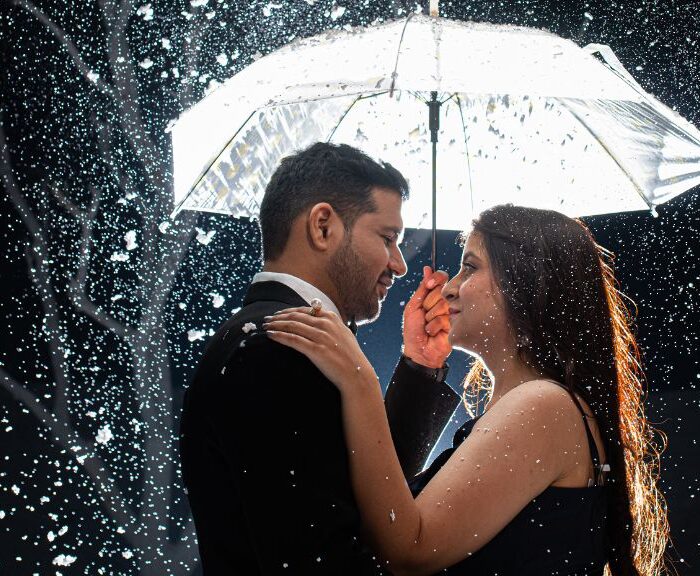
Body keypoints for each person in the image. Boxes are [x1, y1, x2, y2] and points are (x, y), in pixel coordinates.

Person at [264, 204, 670, 576]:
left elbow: (408, 549)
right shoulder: (538, 406)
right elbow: (395, 510)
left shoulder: (542, 406)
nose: (448, 288)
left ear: (525, 282)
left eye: (470, 268)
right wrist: (419, 367)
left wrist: (359, 382)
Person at [179, 142, 458, 575]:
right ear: (323, 226)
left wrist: (419, 367)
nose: (400, 265)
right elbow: (329, 558)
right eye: (387, 238)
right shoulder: (273, 350)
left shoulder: (293, 343)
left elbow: (375, 505)